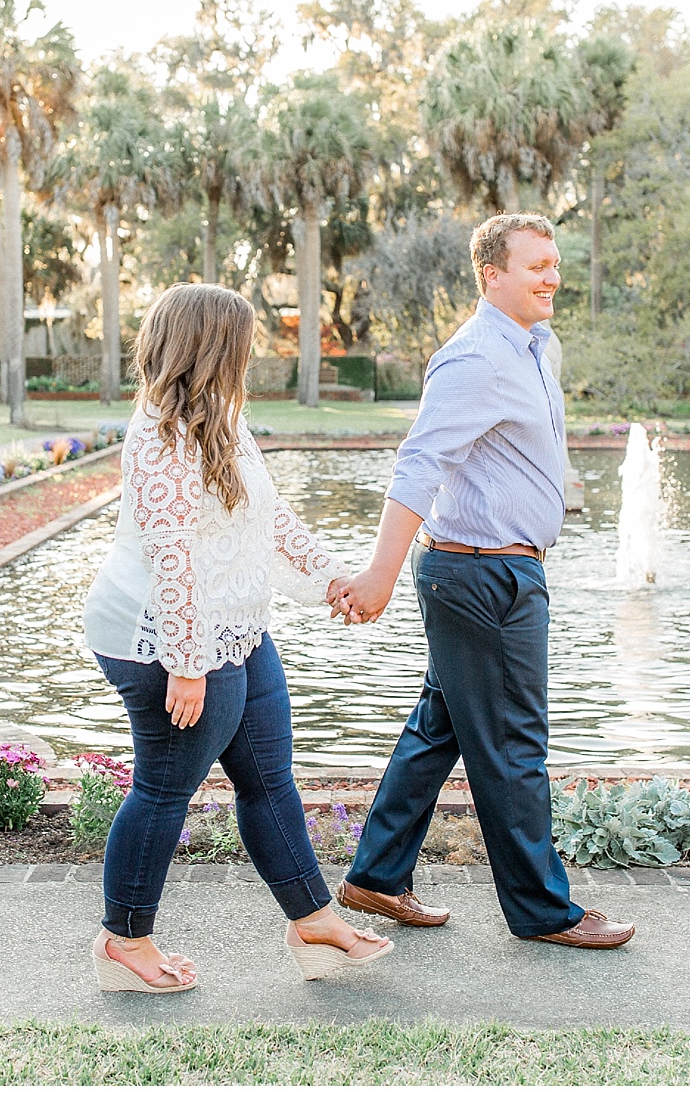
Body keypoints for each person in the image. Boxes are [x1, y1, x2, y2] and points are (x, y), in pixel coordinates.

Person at [329, 213, 635, 950]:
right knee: (513, 745)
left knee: (441, 728)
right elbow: (419, 462)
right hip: (483, 575)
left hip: (497, 569)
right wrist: (380, 572)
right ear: (491, 274)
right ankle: (542, 912)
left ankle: (376, 874)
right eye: (537, 265)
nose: (553, 276)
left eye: (556, 262)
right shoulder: (473, 358)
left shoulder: (537, 347)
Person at [80, 283, 392, 990]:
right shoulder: (158, 434)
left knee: (267, 778)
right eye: (244, 342)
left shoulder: (221, 417)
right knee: (164, 788)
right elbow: (171, 556)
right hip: (159, 638)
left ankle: (314, 921)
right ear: (214, 345)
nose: (252, 355)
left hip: (234, 627)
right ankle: (122, 942)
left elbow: (269, 520)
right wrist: (188, 665)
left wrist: (332, 579)